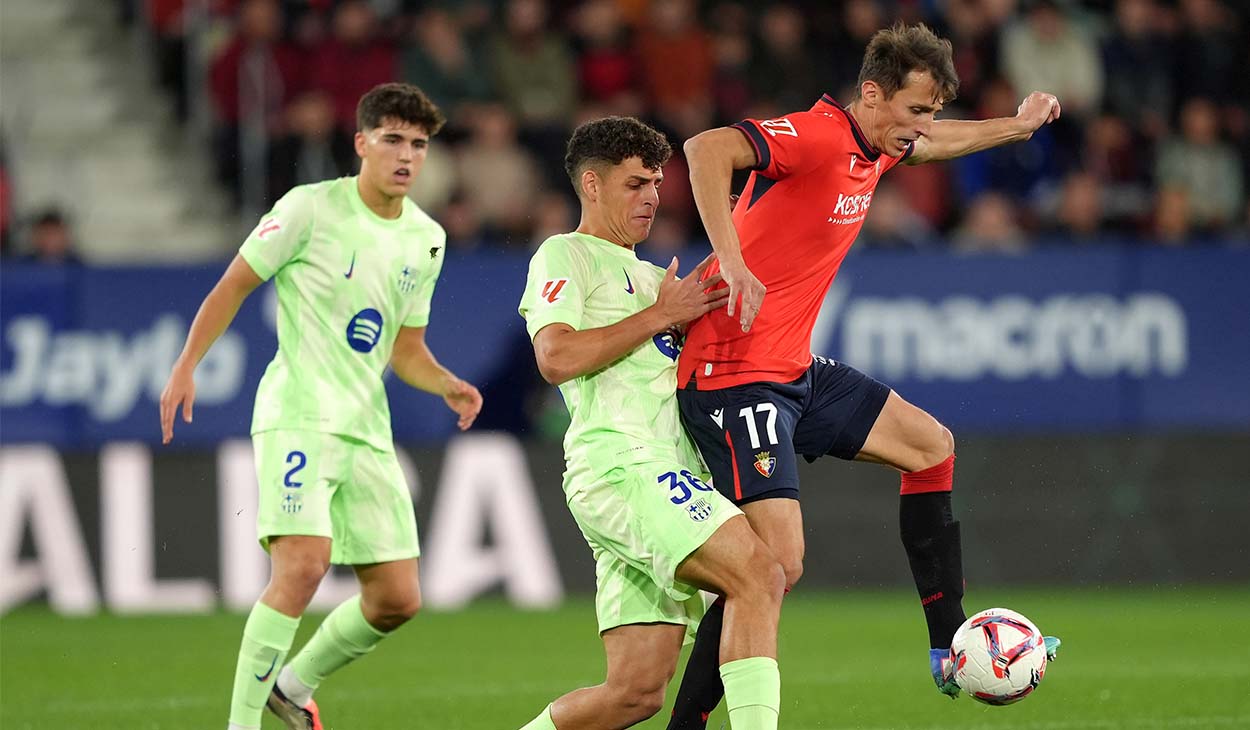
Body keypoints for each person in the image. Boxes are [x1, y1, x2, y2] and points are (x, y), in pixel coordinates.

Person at [666, 23, 1063, 728]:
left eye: (931, 111)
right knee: (775, 565)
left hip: (789, 369)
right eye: (914, 110)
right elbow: (705, 149)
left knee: (931, 446)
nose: (923, 128)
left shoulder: (879, 147)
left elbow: (938, 142)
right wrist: (728, 258)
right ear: (871, 95)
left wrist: (1018, 126)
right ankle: (688, 722)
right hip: (732, 375)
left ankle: (950, 641)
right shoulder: (817, 136)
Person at [159, 82, 482, 730]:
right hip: (300, 412)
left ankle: (292, 684)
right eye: (393, 139)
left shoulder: (427, 239)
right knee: (303, 564)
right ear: (362, 143)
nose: (407, 155)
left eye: (418, 144)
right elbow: (235, 284)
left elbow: (405, 348)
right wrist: (186, 363)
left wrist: (444, 380)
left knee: (396, 597)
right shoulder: (309, 208)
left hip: (366, 428)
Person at [516, 116, 786, 730]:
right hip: (621, 465)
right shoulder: (567, 254)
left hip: (660, 473)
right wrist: (662, 313)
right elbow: (555, 357)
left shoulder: (654, 278)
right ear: (591, 184)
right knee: (760, 573)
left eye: (657, 183)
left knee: (636, 693)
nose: (653, 197)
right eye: (636, 183)